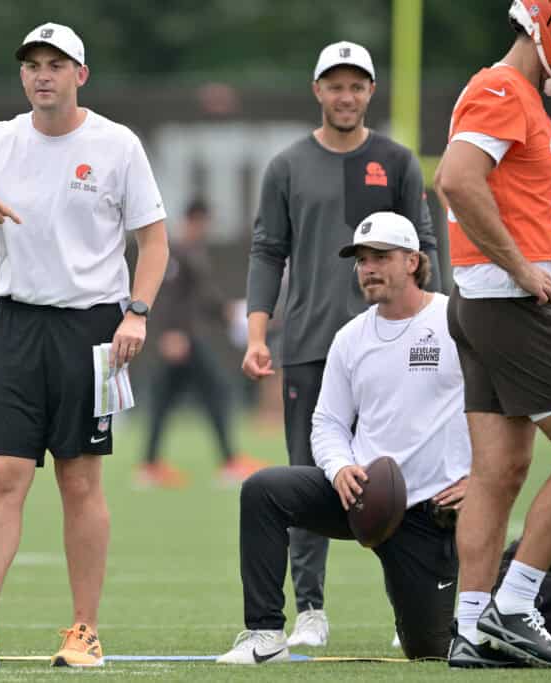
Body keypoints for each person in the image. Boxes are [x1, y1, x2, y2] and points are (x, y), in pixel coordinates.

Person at [0, 22, 169, 668]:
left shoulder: (117, 145)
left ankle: (83, 630)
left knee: (81, 480)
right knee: (4, 475)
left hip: (93, 330)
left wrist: (136, 312)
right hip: (17, 325)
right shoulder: (0, 140)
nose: (42, 75)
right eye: (32, 64)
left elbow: (154, 239)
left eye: (56, 64)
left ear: (80, 74)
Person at [241, 40, 443, 648]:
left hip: (397, 345)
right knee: (312, 472)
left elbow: (426, 244)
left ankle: (415, 600)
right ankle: (310, 609)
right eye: (335, 85)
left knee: (408, 471)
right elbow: (266, 251)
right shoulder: (287, 165)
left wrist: (445, 323)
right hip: (309, 342)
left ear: (370, 92)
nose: (346, 95)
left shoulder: (398, 161)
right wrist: (257, 331)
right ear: (317, 91)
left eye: (356, 85)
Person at [218, 211, 470, 664]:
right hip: (360, 493)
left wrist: (478, 480)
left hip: (428, 510)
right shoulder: (351, 337)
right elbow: (328, 422)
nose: (367, 268)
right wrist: (339, 470)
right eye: (361, 260)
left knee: (429, 650)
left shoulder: (455, 319)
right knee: (263, 491)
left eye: (380, 257)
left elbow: (498, 409)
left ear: (413, 261)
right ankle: (265, 636)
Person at [434, 0, 551, 668]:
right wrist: (520, 265)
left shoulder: (510, 92)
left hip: (485, 303)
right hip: (508, 301)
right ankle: (517, 602)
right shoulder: (503, 87)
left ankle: (474, 624)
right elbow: (455, 178)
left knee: (499, 470)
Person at [139, 198, 264, 489]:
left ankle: (150, 464)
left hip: (188, 337)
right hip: (184, 339)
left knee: (165, 399)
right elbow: (168, 295)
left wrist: (227, 312)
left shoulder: (193, 252)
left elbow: (203, 297)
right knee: (216, 391)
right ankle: (229, 462)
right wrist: (171, 333)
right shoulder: (178, 251)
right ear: (194, 220)